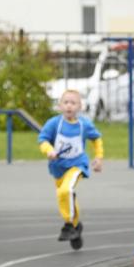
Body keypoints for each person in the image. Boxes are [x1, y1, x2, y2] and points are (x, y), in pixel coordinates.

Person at [37, 89, 104, 250]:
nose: (69, 106)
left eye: (73, 103)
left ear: (80, 106)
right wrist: (49, 151)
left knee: (65, 191)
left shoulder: (84, 125)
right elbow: (42, 140)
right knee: (66, 197)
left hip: (77, 165)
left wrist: (98, 157)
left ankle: (69, 224)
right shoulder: (54, 123)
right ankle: (75, 225)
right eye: (66, 102)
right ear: (60, 106)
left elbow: (96, 139)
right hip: (58, 167)